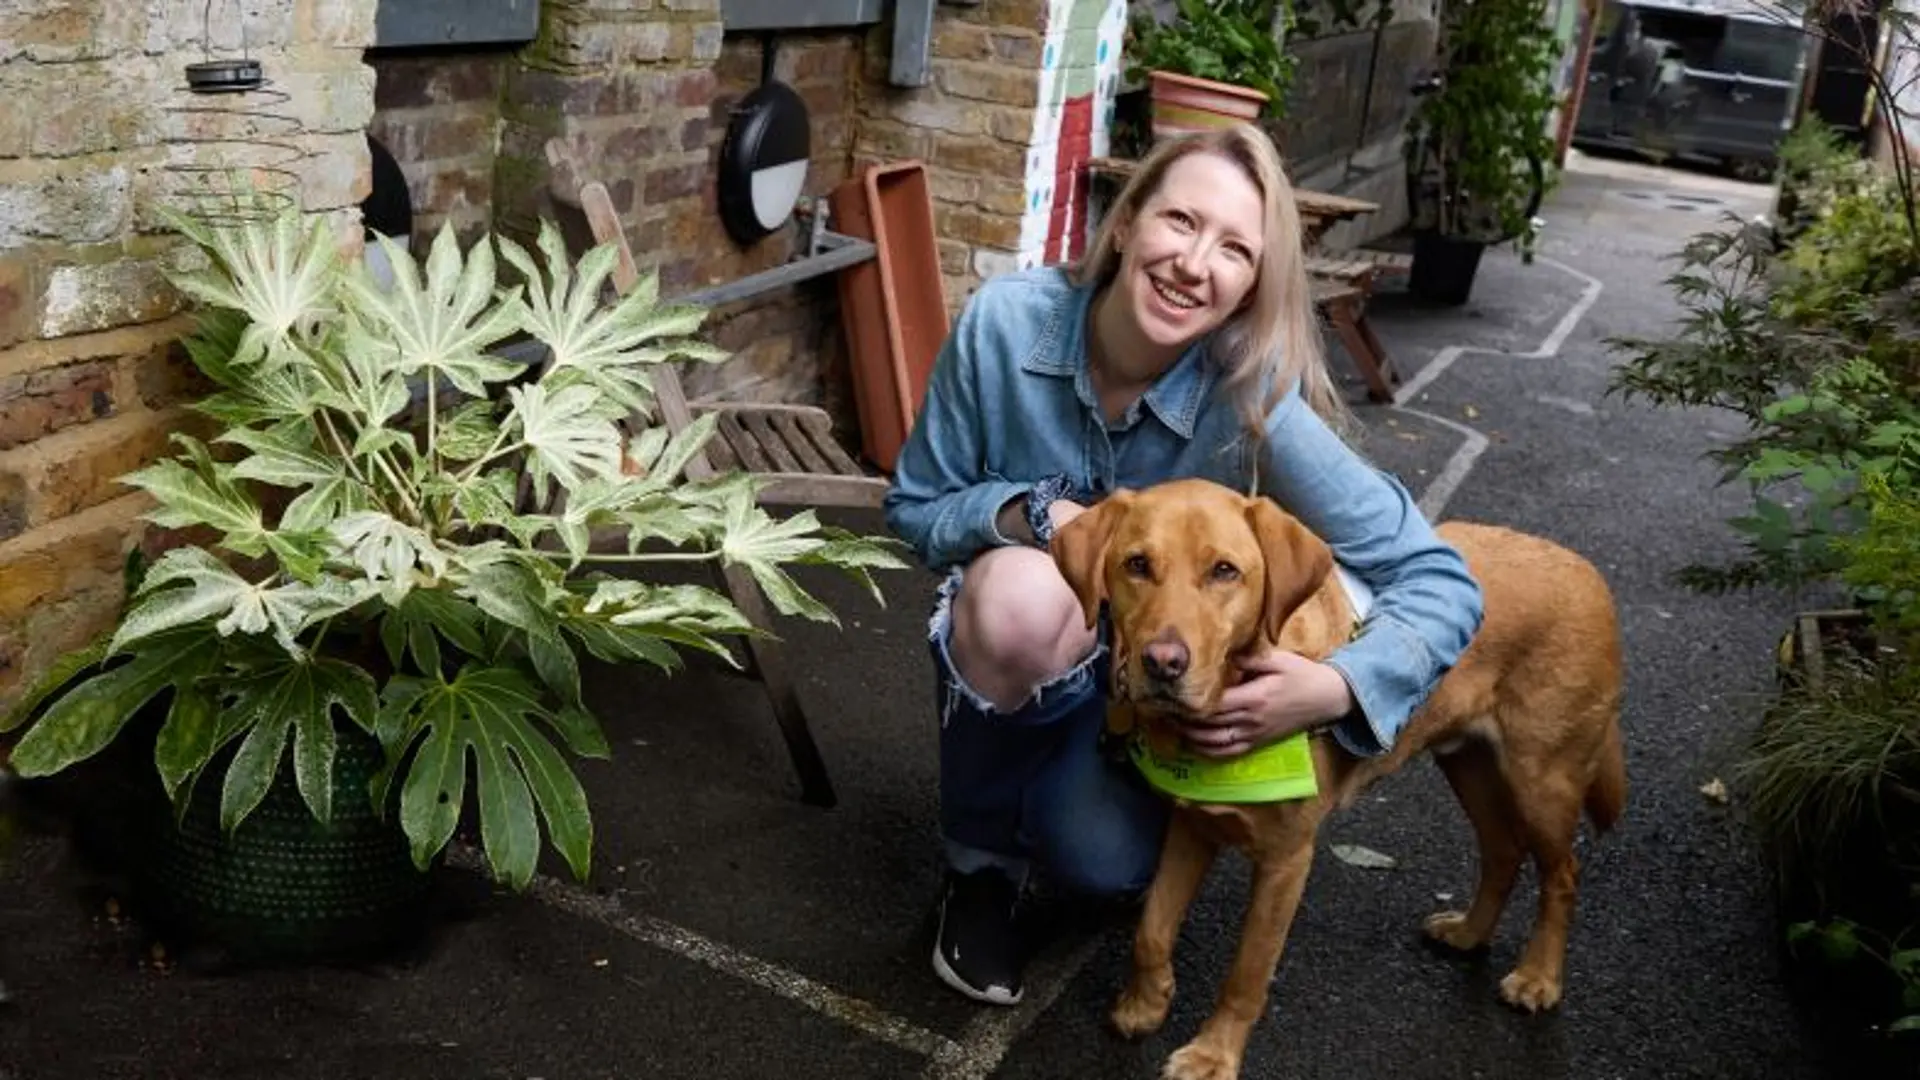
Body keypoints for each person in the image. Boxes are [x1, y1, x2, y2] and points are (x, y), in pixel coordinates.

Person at [882, 123, 1486, 1007]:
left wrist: (1337, 688)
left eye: (1235, 249)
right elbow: (914, 507)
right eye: (1181, 221)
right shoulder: (1005, 326)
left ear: (1253, 284)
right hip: (1035, 647)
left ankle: (1071, 794)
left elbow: (1440, 580)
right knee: (1017, 593)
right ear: (1128, 221)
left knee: (1103, 870)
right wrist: (1031, 514)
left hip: (1164, 683)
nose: (1195, 264)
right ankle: (979, 869)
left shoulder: (1250, 393)